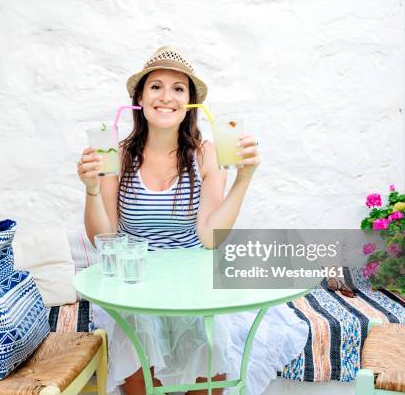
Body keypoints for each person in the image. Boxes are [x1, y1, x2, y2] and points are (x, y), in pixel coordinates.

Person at [76, 45, 308, 395]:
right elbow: (103, 237)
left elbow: (210, 238)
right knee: (141, 379)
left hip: (192, 285)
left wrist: (244, 178)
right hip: (136, 285)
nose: (166, 96)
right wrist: (92, 189)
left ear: (190, 104)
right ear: (139, 98)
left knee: (206, 383)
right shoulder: (118, 154)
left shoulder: (205, 154)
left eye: (178, 88)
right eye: (155, 86)